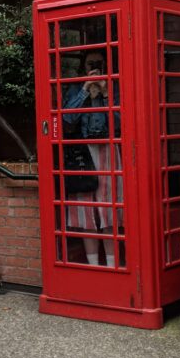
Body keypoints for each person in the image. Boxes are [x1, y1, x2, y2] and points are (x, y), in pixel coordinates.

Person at [62, 49, 123, 266]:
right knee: (86, 213)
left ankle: (112, 264)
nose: (94, 68)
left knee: (109, 211)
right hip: (83, 154)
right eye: (90, 64)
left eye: (99, 63)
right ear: (83, 67)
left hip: (108, 152)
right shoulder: (75, 89)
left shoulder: (115, 89)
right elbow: (66, 122)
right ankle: (93, 266)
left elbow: (120, 124)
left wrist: (106, 94)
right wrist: (85, 91)